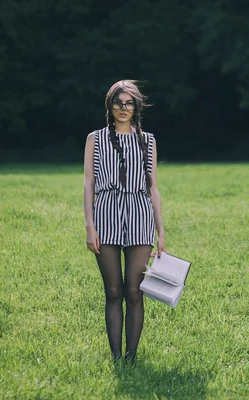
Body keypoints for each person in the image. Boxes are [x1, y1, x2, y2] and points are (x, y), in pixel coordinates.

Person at [83, 80, 165, 363]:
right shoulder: (95, 138)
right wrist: (89, 226)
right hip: (105, 214)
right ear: (110, 105)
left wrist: (161, 232)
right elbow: (88, 183)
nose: (123, 108)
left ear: (136, 107)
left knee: (134, 290)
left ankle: (131, 356)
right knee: (113, 290)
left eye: (129, 103)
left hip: (140, 217)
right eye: (118, 102)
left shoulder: (148, 141)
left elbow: (153, 187)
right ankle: (116, 356)